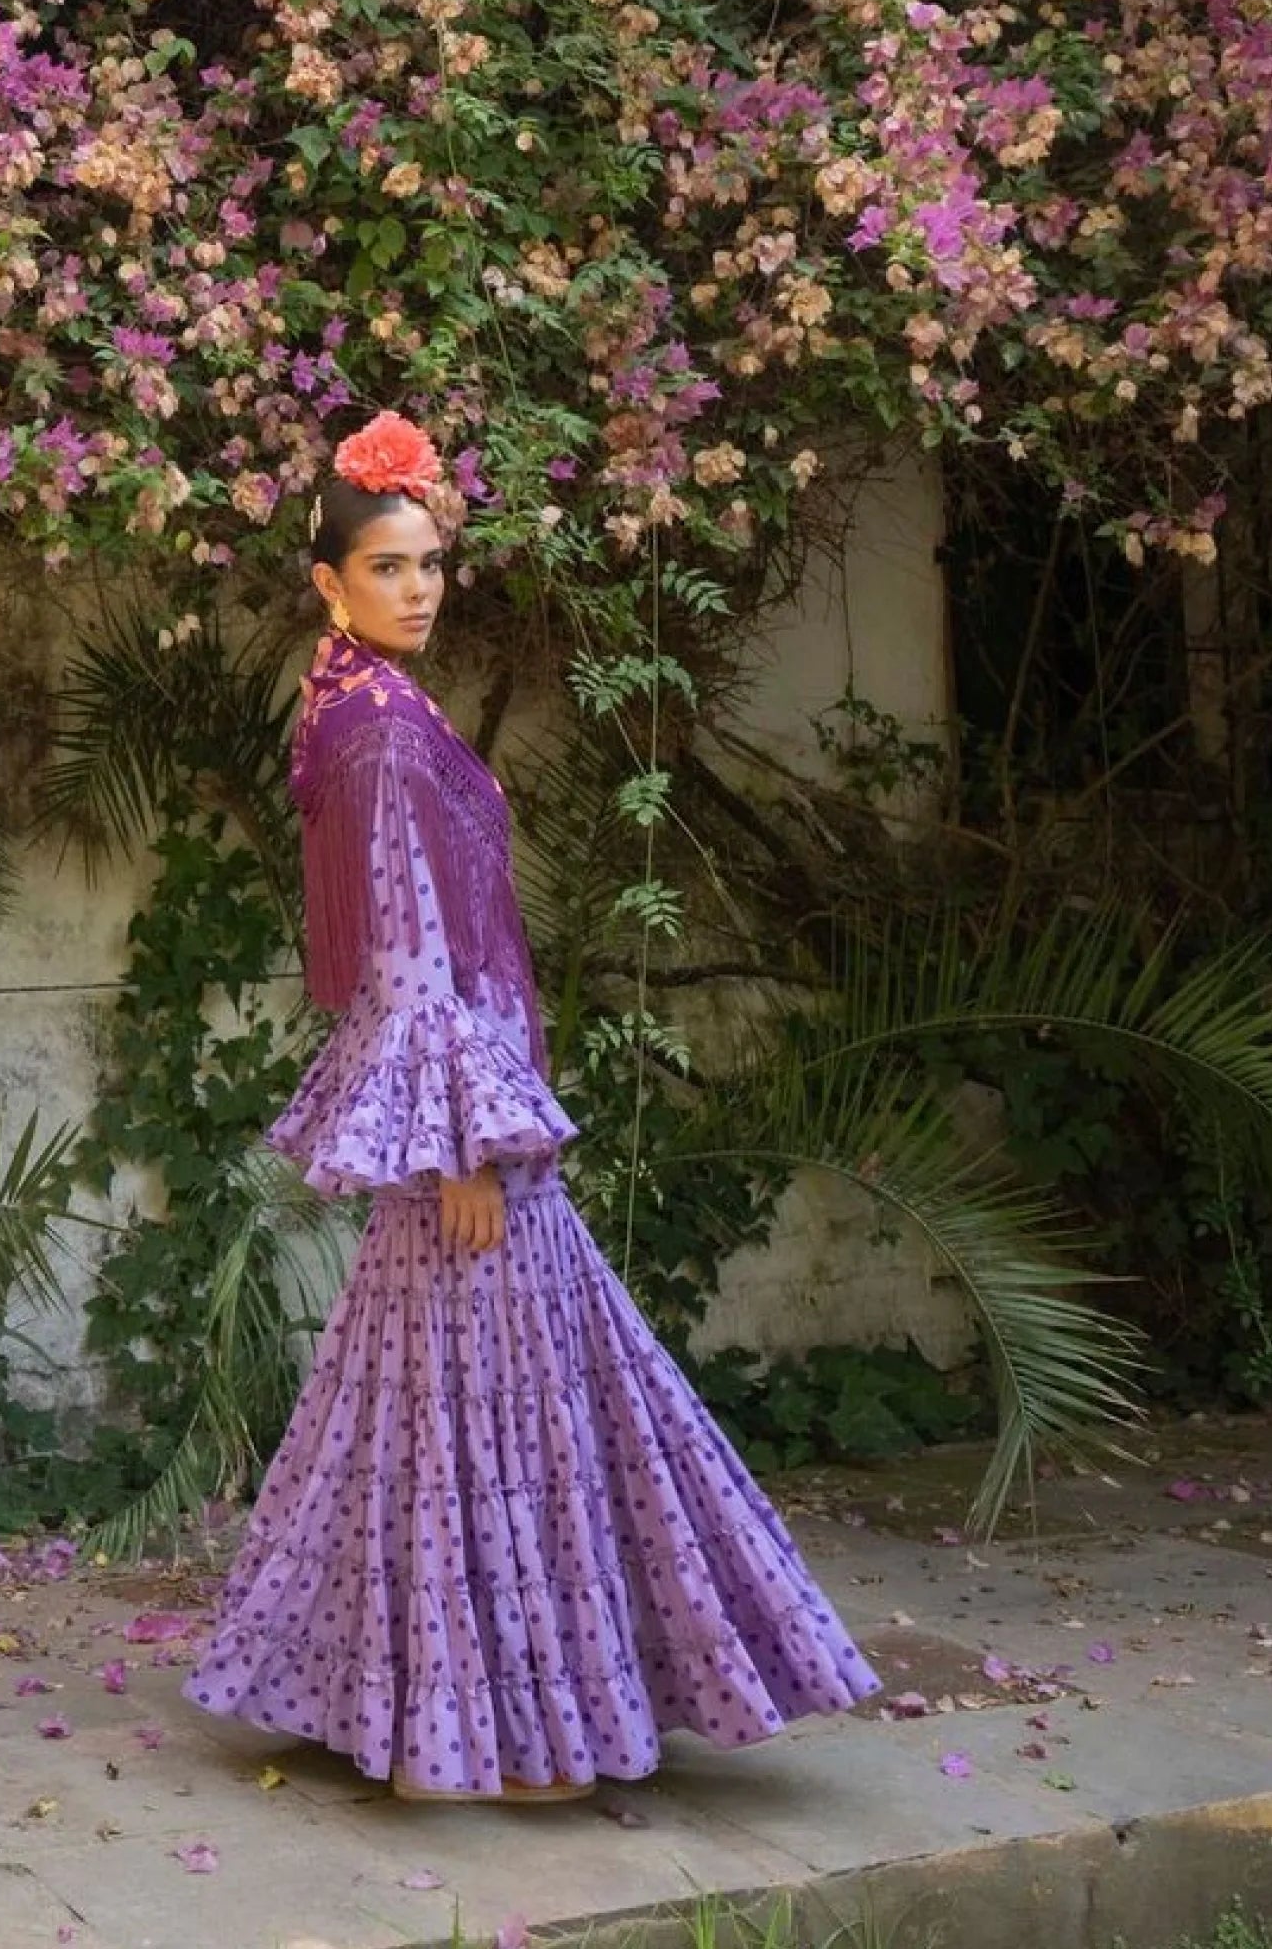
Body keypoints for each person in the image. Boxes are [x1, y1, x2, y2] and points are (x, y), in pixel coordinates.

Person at [183, 411, 880, 1802]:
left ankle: (430, 1713)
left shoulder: (356, 699)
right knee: (502, 1415)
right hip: (470, 1132)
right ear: (329, 583)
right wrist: (468, 1150)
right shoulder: (381, 730)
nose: (419, 590)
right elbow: (407, 955)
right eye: (387, 567)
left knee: (441, 1411)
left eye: (431, 563)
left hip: (470, 1103)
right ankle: (509, 1736)